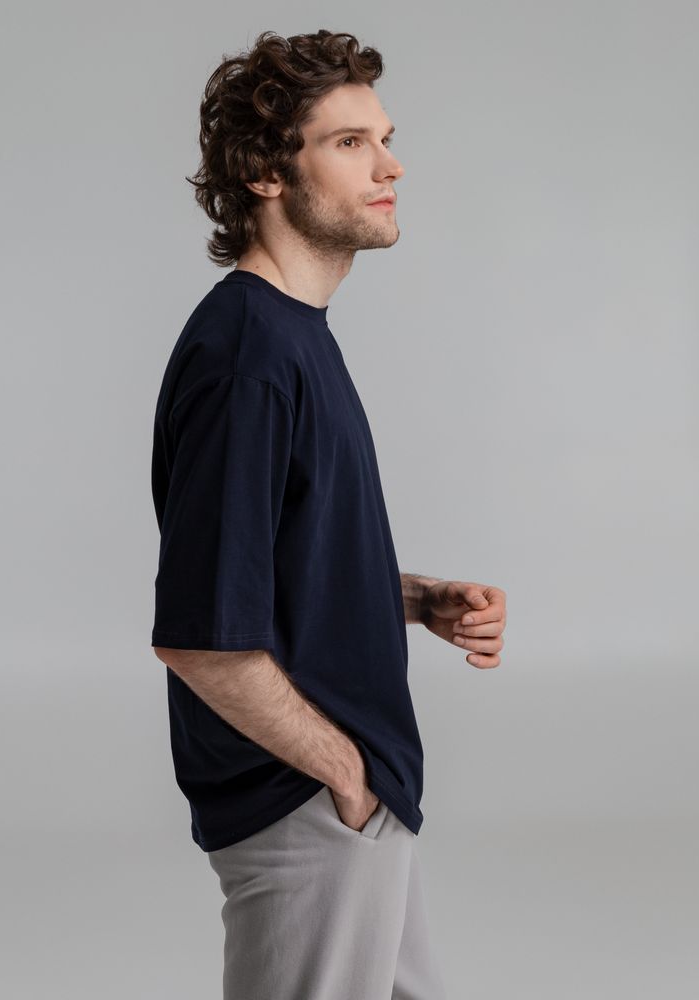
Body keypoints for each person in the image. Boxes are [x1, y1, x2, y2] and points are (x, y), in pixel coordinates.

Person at [150, 28, 507, 1000]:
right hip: (307, 802)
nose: (391, 166)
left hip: (358, 798)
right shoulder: (248, 358)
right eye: (350, 143)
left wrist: (416, 599)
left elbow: (270, 564)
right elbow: (202, 636)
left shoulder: (291, 334)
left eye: (385, 138)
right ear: (266, 171)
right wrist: (342, 776)